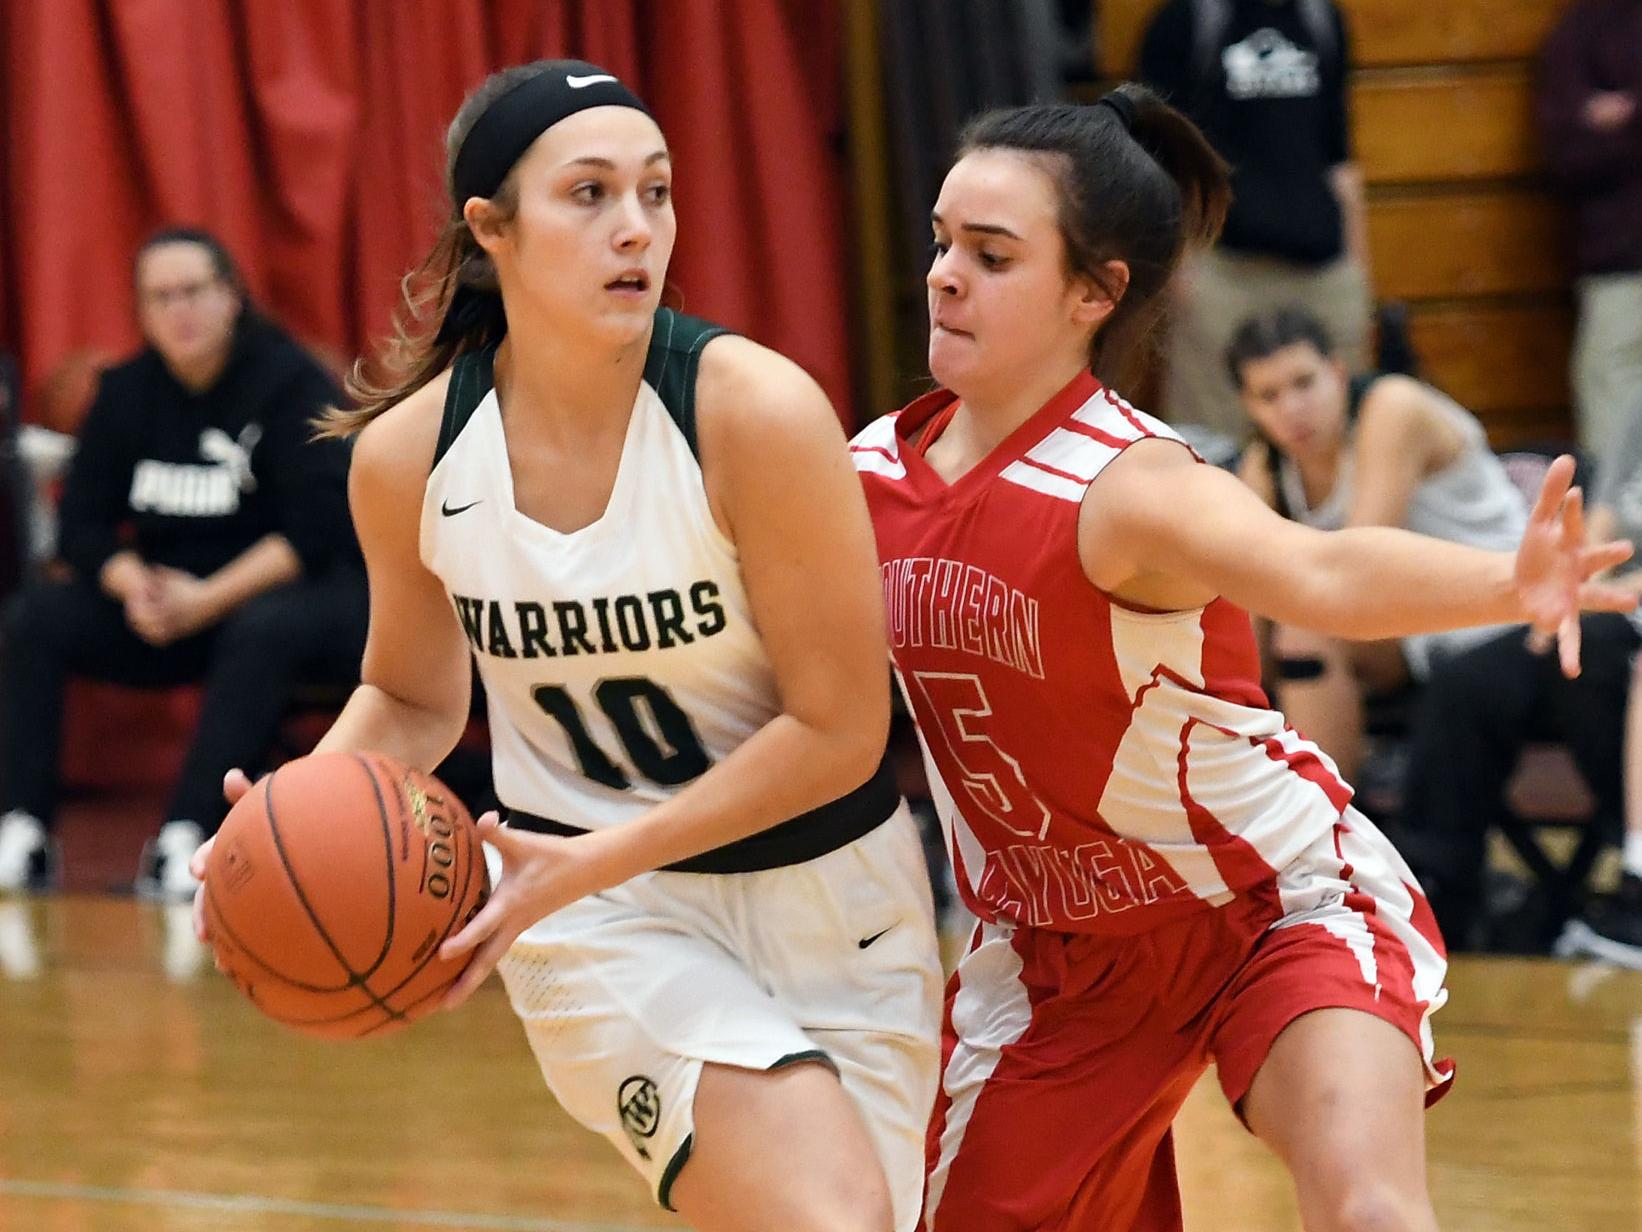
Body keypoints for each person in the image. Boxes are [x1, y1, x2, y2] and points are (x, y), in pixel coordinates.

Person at [848, 84, 1634, 1231]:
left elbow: (1318, 573)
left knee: (1366, 1205)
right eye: (941, 242)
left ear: (1092, 293)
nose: (944, 275)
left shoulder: (1131, 486)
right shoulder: (866, 474)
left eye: (991, 253)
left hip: (1267, 897)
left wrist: (1506, 581)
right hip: (1055, 958)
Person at [192, 61, 940, 1232]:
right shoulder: (409, 460)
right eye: (588, 194)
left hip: (837, 901)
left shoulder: (754, 412)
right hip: (598, 916)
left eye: (655, 190)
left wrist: (605, 852)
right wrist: (287, 813)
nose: (635, 227)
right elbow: (407, 689)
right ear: (491, 228)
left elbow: (841, 733)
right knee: (826, 1216)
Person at [0, 228, 362, 900]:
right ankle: (21, 827)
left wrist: (210, 598)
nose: (179, 310)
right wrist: (134, 584)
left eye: (194, 291)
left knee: (263, 629)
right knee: (37, 617)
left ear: (231, 296)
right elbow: (80, 525)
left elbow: (319, 531)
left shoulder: (287, 382)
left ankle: (188, 837)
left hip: (287, 600)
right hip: (171, 607)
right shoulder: (127, 391)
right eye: (160, 297)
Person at [1227, 305, 1531, 783]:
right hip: (1406, 620)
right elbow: (1243, 600)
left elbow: (1359, 566)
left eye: (1305, 384)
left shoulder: (1393, 407)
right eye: (1269, 396)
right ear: (1249, 406)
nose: (1291, 409)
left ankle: (1322, 824)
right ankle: (1267, 805)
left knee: (1306, 631)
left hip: (1498, 607)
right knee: (1237, 631)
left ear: (1338, 373)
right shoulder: (1264, 466)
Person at [1139, 0, 1371, 439]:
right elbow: (1158, 158)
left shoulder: (1322, 18)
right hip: (1221, 268)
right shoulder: (1185, 22)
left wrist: (1357, 270)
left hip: (1322, 268)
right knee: (1213, 442)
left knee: (1343, 434)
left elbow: (1339, 153)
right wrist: (1178, 265)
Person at [1535, 0, 1642, 468]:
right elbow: (1566, 149)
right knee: (1611, 407)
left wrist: (1627, 115)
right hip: (1619, 259)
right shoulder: (1584, 28)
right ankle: (1615, 534)